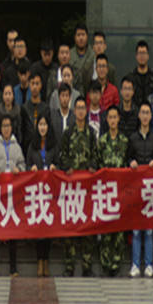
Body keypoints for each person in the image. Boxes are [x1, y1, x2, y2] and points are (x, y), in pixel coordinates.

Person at [60, 98, 99, 277]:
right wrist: (67, 166)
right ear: (74, 111)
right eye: (78, 108)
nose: (81, 111)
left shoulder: (91, 133)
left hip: (87, 188)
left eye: (84, 108)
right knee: (70, 226)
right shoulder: (68, 132)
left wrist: (92, 166)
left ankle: (87, 266)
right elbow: (62, 154)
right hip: (71, 188)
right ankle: (69, 266)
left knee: (88, 227)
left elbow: (96, 155)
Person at [0, 113, 26, 277]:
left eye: (8, 126)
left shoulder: (17, 147)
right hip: (0, 195)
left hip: (13, 194)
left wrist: (19, 170)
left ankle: (13, 268)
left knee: (12, 230)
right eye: (4, 126)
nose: (6, 129)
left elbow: (23, 165)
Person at [127, 102, 153, 278]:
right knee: (135, 228)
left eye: (148, 112)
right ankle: (135, 264)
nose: (145, 116)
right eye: (143, 112)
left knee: (148, 228)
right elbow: (127, 159)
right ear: (139, 115)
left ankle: (148, 264)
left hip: (151, 189)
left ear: (151, 116)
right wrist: (131, 162)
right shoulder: (132, 138)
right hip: (135, 188)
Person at [96, 106, 129, 277]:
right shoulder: (101, 141)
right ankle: (105, 263)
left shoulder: (124, 141)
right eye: (110, 117)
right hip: (105, 190)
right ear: (107, 120)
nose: (113, 120)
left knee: (119, 228)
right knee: (106, 226)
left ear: (119, 119)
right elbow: (97, 163)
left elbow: (127, 163)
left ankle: (117, 263)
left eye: (115, 117)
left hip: (120, 190)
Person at [26, 115, 59, 277]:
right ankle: (39, 261)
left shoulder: (53, 146)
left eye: (45, 124)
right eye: (40, 124)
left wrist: (54, 167)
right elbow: (26, 165)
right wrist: (31, 168)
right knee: (39, 227)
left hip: (50, 192)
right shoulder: (32, 146)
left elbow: (59, 163)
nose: (43, 127)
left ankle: (46, 261)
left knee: (49, 227)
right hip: (36, 192)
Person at [21, 72, 48, 148]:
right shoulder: (24, 108)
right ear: (29, 85)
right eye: (32, 84)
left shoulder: (46, 108)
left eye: (37, 83)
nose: (35, 87)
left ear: (41, 85)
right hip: (27, 146)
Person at [70, 22, 94, 95]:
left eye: (83, 35)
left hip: (90, 94)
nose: (81, 38)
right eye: (78, 35)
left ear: (87, 37)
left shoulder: (93, 55)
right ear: (74, 38)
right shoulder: (69, 55)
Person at [31, 37, 57, 102]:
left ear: (52, 53)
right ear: (41, 53)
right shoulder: (34, 68)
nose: (47, 58)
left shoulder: (56, 69)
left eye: (49, 54)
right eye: (45, 54)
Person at [130, 40, 153, 106]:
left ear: (148, 56)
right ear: (136, 56)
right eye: (140, 53)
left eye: (144, 53)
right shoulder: (131, 77)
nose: (142, 56)